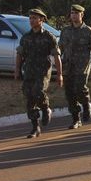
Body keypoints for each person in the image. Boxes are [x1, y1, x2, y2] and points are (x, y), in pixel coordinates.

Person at [59, 4, 91, 129]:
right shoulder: (65, 31)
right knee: (69, 92)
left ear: (82, 15)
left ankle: (86, 104)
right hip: (68, 66)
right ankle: (76, 119)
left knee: (80, 88)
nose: (74, 15)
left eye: (77, 13)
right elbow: (59, 48)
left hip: (82, 66)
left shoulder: (88, 31)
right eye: (72, 13)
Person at [15, 8, 63, 138]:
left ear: (41, 20)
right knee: (29, 96)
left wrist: (59, 74)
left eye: (34, 18)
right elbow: (19, 54)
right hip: (29, 71)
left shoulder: (49, 37)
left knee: (38, 91)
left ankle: (46, 108)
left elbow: (56, 56)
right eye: (30, 18)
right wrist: (17, 70)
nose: (32, 21)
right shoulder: (26, 37)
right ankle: (35, 127)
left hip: (43, 71)